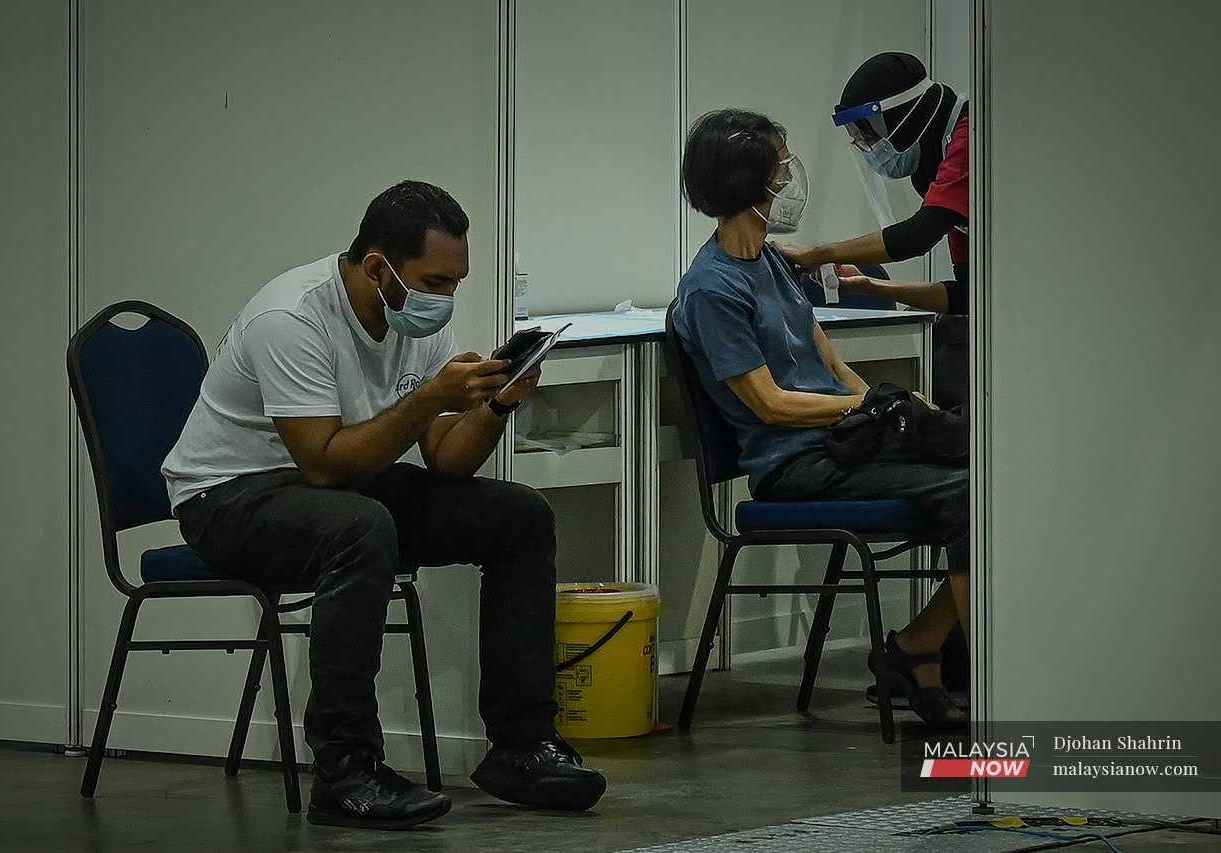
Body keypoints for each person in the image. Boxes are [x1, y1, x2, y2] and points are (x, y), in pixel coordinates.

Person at [161, 181, 606, 830]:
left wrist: (497, 401)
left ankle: (522, 747)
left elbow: (448, 460)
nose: (446, 299)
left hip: (334, 488)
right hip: (226, 496)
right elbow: (321, 460)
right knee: (362, 527)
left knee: (519, 514)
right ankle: (345, 772)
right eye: (436, 281)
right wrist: (427, 400)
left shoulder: (412, 321)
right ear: (378, 266)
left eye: (456, 283)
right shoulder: (291, 318)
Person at [674, 110, 969, 728]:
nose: (789, 178)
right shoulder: (711, 290)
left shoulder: (774, 262)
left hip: (841, 444)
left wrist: (889, 411)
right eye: (781, 167)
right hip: (795, 465)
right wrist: (864, 407)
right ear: (747, 181)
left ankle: (918, 647)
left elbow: (823, 353)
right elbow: (771, 403)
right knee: (972, 495)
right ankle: (981, 674)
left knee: (992, 468)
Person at [781, 52, 971, 409]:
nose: (867, 144)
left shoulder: (973, 138)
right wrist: (872, 287)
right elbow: (967, 296)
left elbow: (917, 235)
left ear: (904, 115)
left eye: (867, 130)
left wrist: (819, 253)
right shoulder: (946, 167)